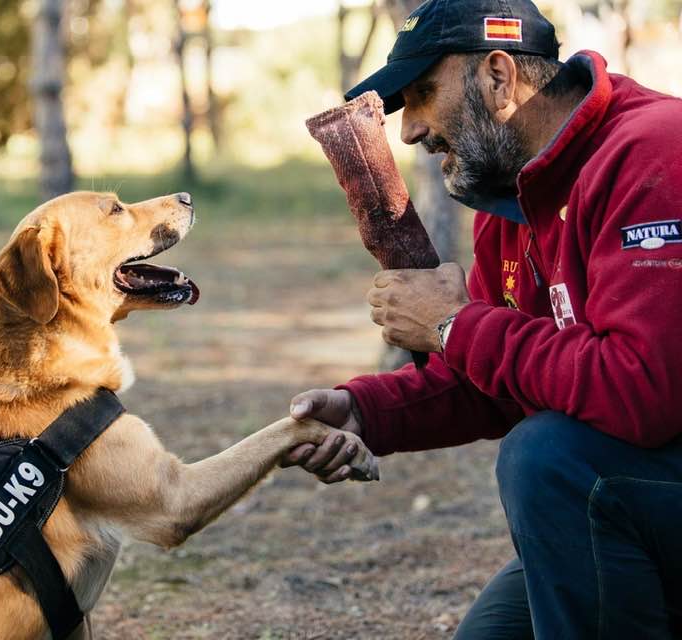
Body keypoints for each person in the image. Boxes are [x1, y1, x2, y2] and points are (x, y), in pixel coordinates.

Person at [283, 0, 682, 636]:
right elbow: (497, 379)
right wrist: (365, 412)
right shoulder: (511, 206)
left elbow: (642, 389)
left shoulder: (654, 151)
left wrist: (452, 325)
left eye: (423, 94)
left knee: (545, 455)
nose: (410, 130)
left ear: (498, 76)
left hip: (640, 482)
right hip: (631, 498)